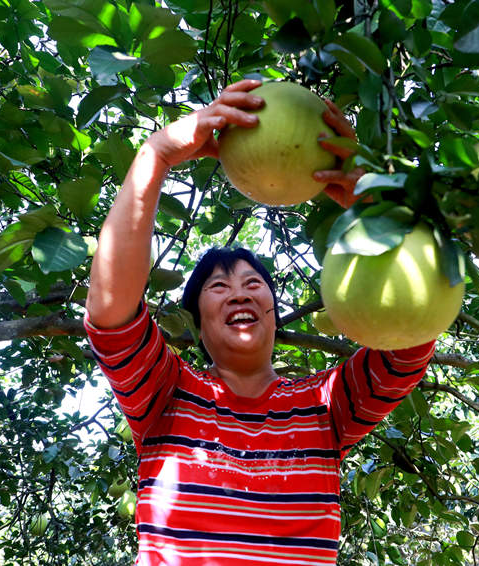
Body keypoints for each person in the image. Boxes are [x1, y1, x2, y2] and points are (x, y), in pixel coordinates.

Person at [84, 79, 435, 566]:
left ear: (272, 309)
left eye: (253, 283)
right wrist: (157, 154)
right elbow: (110, 311)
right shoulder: (166, 395)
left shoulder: (324, 405)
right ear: (199, 325)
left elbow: (410, 340)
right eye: (218, 287)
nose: (239, 292)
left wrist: (382, 212)